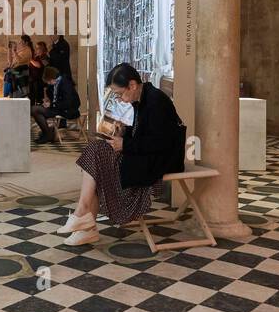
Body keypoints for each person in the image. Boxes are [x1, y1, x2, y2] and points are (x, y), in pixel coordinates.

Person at [58, 63, 186, 247]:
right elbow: (144, 133)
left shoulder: (156, 101)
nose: (119, 98)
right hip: (147, 155)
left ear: (132, 85)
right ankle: (85, 221)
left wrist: (125, 143)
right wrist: (124, 132)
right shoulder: (142, 99)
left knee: (96, 156)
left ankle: (84, 219)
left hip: (161, 161)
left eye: (119, 93)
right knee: (96, 154)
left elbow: (160, 143)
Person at [33, 66, 81, 144]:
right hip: (58, 108)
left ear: (52, 78)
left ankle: (47, 134)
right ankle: (47, 133)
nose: (48, 83)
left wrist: (51, 104)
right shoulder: (56, 83)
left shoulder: (65, 83)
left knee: (35, 110)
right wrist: (48, 102)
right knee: (35, 110)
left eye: (48, 81)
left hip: (67, 110)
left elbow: (67, 103)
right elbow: (55, 98)